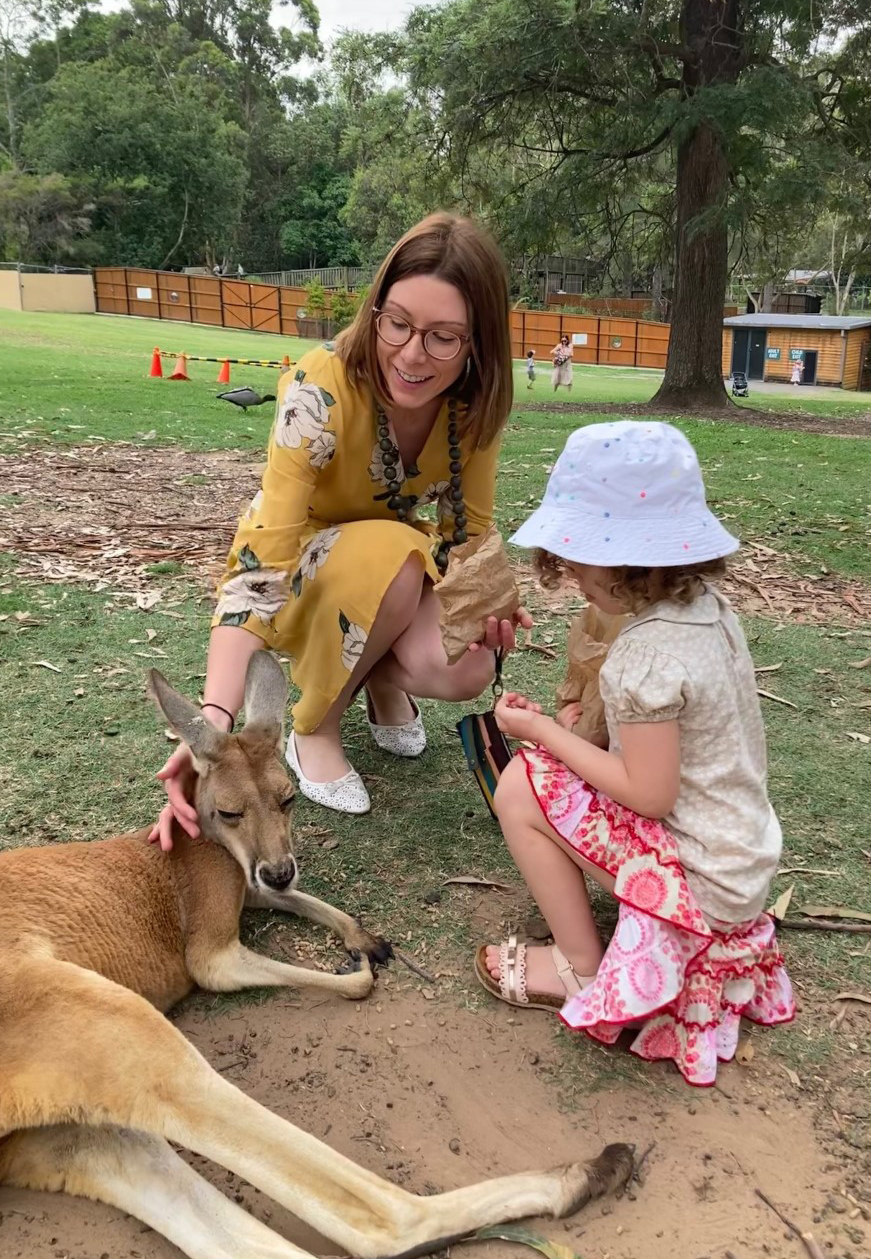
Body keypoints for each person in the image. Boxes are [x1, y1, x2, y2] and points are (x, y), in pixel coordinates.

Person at [150, 213, 531, 839]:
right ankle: (314, 729)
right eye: (399, 323)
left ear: (477, 344)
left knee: (470, 665)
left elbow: (469, 537)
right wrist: (213, 726)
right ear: (376, 308)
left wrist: (490, 607)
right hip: (303, 567)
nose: (411, 354)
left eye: (443, 337)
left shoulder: (472, 406)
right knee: (398, 553)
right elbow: (266, 552)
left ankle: (377, 675)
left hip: (390, 577)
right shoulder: (318, 387)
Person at [475, 420, 794, 1086]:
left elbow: (648, 794)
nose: (570, 574)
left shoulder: (644, 655)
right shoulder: (709, 612)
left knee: (520, 785)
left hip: (697, 882)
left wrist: (543, 737)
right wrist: (571, 727)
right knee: (551, 767)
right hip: (739, 862)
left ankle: (578, 966)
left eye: (578, 555)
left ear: (627, 558)